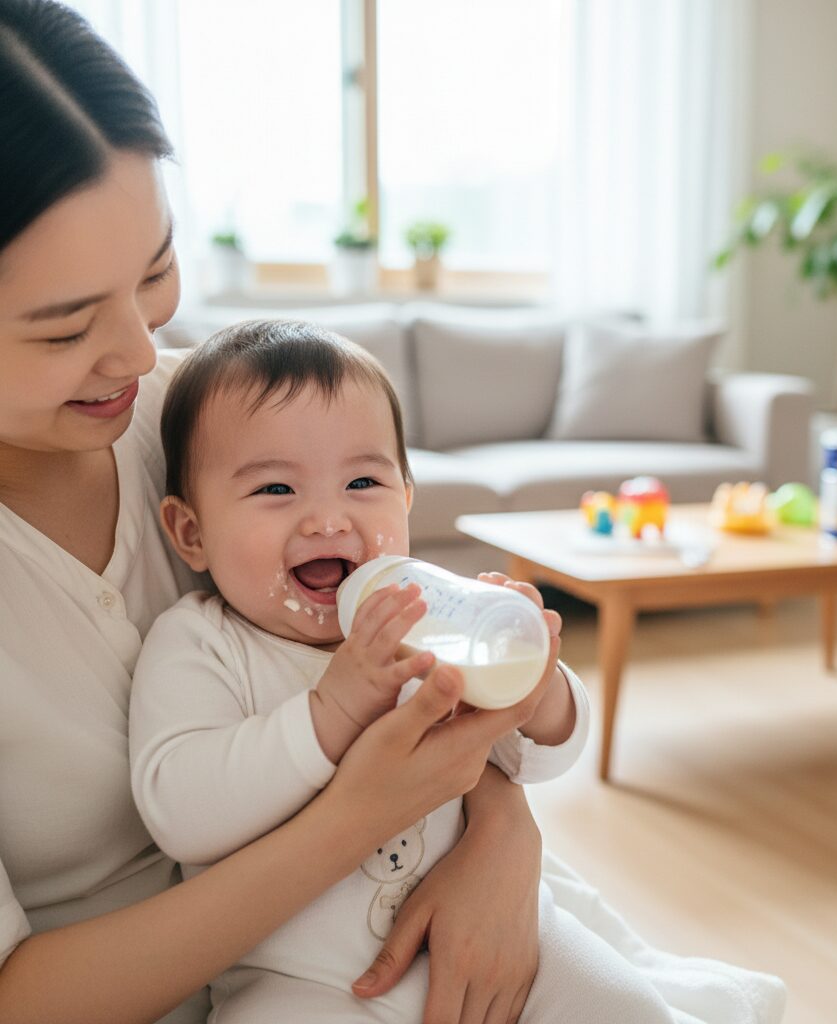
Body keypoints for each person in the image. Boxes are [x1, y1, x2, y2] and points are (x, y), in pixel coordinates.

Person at [0, 3, 555, 1021]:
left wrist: (500, 829)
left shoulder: (198, 415)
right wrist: (358, 817)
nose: (137, 351)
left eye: (156, 273)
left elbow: (429, 683)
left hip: (399, 905)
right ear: (186, 528)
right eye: (66, 326)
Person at [128, 318, 681, 1022]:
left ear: (407, 498)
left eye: (363, 481)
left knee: (624, 1005)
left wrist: (539, 692)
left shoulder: (435, 617)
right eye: (275, 490)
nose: (329, 519)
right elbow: (183, 813)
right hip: (305, 982)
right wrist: (331, 712)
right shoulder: (201, 644)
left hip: (502, 936)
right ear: (191, 532)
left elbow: (532, 757)